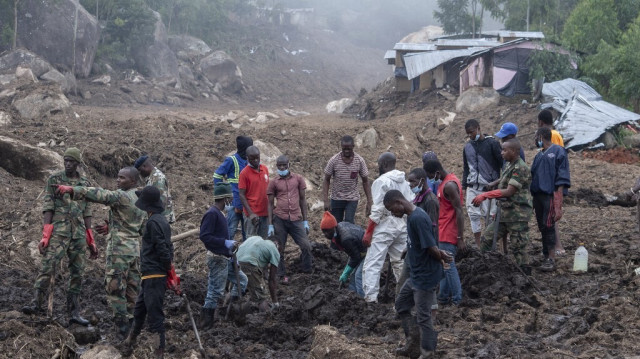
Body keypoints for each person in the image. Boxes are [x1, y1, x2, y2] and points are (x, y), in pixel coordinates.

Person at [53, 167, 146, 337]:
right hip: (134, 249)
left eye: (122, 178)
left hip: (118, 250)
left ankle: (122, 328)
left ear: (133, 181)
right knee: (133, 288)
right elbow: (141, 228)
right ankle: (133, 326)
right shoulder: (142, 198)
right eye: (117, 177)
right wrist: (113, 226)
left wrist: (72, 189)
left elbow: (99, 194)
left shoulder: (121, 196)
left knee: (115, 288)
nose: (118, 180)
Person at [22, 148, 98, 327]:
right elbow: (48, 206)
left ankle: (73, 312)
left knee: (77, 273)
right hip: (59, 233)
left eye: (71, 161)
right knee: (48, 267)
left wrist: (90, 238)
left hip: (78, 233)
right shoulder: (54, 180)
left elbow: (87, 210)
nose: (67, 164)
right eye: (65, 161)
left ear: (78, 163)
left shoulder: (84, 182)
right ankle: (36, 304)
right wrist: (45, 235)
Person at [384, 189, 451, 359]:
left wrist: (442, 256)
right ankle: (413, 343)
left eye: (392, 209)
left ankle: (427, 352)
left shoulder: (418, 218)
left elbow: (430, 247)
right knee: (401, 305)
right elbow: (419, 242)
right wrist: (409, 249)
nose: (393, 213)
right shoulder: (411, 217)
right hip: (416, 274)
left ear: (399, 202)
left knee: (423, 316)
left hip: (425, 277)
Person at [122, 186, 174, 358]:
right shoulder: (160, 220)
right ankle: (129, 343)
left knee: (155, 316)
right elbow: (168, 246)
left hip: (154, 275)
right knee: (139, 311)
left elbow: (162, 248)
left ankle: (159, 352)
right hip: (150, 276)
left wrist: (167, 268)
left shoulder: (153, 222)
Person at [472, 140, 533, 274]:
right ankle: (484, 270)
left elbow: (509, 191)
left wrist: (486, 195)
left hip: (517, 214)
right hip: (505, 213)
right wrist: (494, 183)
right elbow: (505, 178)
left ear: (513, 151)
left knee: (518, 247)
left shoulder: (520, 167)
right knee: (487, 238)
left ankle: (525, 276)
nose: (501, 153)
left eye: (504, 150)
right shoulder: (509, 165)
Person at [361, 152, 414, 303]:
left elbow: (377, 209)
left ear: (383, 165)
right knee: (400, 262)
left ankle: (370, 299)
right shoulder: (404, 182)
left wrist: (369, 232)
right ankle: (406, 297)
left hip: (385, 224)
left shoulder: (381, 181)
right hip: (402, 225)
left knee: (373, 263)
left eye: (379, 165)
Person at [198, 183, 247, 330]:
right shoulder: (212, 214)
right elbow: (205, 236)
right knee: (215, 290)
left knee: (242, 280)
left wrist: (231, 254)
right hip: (217, 258)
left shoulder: (220, 214)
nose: (232, 199)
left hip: (226, 257)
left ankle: (231, 311)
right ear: (225, 198)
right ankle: (206, 323)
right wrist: (224, 242)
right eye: (230, 197)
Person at [396, 168, 440, 321]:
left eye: (413, 181)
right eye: (409, 182)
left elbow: (431, 230)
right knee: (404, 281)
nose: (410, 185)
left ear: (422, 180)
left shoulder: (431, 201)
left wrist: (433, 252)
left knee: (427, 284)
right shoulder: (417, 198)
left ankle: (430, 317)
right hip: (414, 249)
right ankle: (404, 312)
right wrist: (407, 247)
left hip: (425, 250)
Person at [424, 159, 465, 306]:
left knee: (448, 267)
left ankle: (457, 299)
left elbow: (459, 211)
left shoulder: (448, 185)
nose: (429, 179)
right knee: (444, 265)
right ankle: (443, 296)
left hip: (449, 232)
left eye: (430, 176)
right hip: (444, 230)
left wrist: (460, 237)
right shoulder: (448, 181)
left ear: (437, 172)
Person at [267, 155, 313, 283]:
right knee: (279, 248)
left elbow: (303, 200)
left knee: (306, 245)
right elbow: (270, 204)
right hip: (280, 219)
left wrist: (305, 221)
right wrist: (270, 224)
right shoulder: (274, 182)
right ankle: (281, 275)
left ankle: (307, 272)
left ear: (289, 165)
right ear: (276, 166)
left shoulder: (298, 179)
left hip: (296, 218)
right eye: (279, 166)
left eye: (284, 165)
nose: (282, 168)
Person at [530, 127, 571, 272]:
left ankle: (551, 258)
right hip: (538, 195)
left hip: (550, 195)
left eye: (536, 137)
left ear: (541, 137)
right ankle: (546, 253)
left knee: (548, 225)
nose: (535, 140)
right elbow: (533, 175)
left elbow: (562, 178)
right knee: (542, 226)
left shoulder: (558, 151)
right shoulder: (538, 155)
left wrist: (558, 201)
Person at [462, 119, 503, 247]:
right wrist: (464, 186)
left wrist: (500, 182)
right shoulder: (468, 147)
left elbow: (503, 164)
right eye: (468, 133)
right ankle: (478, 243)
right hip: (473, 186)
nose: (470, 135)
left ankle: (489, 242)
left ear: (478, 128)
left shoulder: (492, 143)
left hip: (489, 186)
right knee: (473, 215)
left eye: (472, 132)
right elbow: (466, 168)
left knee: (490, 216)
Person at [322, 135, 373, 223]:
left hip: (352, 198)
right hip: (337, 198)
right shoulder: (334, 160)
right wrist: (326, 200)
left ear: (353, 147)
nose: (346, 151)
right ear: (341, 147)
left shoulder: (359, 161)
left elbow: (365, 181)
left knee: (349, 223)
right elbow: (326, 180)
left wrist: (369, 201)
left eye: (348, 148)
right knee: (337, 224)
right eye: (344, 148)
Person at [213, 136, 253, 241]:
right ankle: (227, 255)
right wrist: (223, 195)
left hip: (247, 204)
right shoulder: (232, 160)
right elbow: (217, 175)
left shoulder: (251, 161)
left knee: (247, 234)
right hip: (233, 203)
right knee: (230, 231)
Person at [537, 110, 566, 256]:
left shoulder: (552, 136)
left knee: (550, 218)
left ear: (540, 122)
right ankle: (555, 246)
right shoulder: (558, 134)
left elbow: (554, 157)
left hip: (551, 184)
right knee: (551, 217)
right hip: (552, 182)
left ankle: (557, 246)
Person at [320, 211, 366, 298]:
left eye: (328, 231)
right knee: (353, 274)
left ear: (334, 227)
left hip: (368, 249)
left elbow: (356, 257)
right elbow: (353, 254)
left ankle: (363, 300)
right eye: (324, 231)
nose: (326, 234)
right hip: (359, 250)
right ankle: (352, 297)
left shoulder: (345, 238)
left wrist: (346, 272)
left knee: (359, 276)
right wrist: (348, 270)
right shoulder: (339, 228)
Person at [236, 236, 280, 312]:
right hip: (249, 265)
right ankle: (266, 319)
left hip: (235, 263)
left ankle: (227, 311)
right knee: (261, 297)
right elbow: (272, 279)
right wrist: (275, 302)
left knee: (235, 290)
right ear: (276, 243)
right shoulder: (274, 249)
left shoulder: (255, 238)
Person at [238, 146, 270, 238]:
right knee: (251, 240)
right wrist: (251, 213)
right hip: (252, 213)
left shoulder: (265, 169)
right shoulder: (244, 173)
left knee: (264, 240)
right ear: (247, 158)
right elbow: (241, 194)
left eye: (257, 158)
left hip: (265, 212)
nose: (256, 160)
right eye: (252, 159)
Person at [134, 155, 175, 224]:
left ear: (144, 166)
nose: (140, 174)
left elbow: (159, 200)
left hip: (162, 218)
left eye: (140, 170)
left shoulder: (157, 178)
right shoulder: (152, 177)